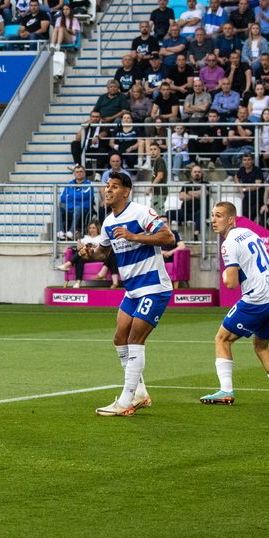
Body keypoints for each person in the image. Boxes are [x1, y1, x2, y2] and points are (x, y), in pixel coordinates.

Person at [76, 171, 171, 416]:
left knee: (135, 340)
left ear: (126, 191)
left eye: (115, 186)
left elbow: (168, 237)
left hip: (153, 286)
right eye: (107, 186)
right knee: (120, 339)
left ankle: (126, 401)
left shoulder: (141, 212)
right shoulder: (108, 222)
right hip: (132, 290)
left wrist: (133, 236)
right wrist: (90, 254)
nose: (108, 190)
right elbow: (104, 252)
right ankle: (139, 392)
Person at [199, 202, 269, 406]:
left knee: (222, 339)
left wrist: (225, 274)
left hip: (257, 299)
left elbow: (231, 283)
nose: (213, 220)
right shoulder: (249, 233)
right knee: (261, 346)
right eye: (212, 215)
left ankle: (225, 390)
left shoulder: (229, 244)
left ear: (231, 219)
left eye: (219, 216)